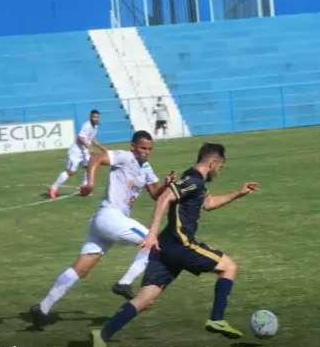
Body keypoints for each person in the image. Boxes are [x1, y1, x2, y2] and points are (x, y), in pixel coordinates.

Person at [94, 143, 260, 346]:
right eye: (220, 166)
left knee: (146, 298)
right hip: (181, 244)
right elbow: (164, 197)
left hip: (166, 246)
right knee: (229, 267)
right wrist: (152, 233)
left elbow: (207, 203)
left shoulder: (194, 179)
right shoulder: (193, 180)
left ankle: (102, 336)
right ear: (213, 162)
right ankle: (216, 319)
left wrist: (238, 193)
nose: (219, 170)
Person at [30, 130, 176, 331]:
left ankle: (42, 308)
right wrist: (89, 182)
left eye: (149, 149)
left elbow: (154, 194)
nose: (146, 152)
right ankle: (124, 283)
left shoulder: (147, 168)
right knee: (154, 242)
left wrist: (166, 186)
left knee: (80, 269)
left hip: (105, 221)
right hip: (110, 216)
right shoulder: (125, 157)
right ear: (133, 146)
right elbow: (96, 157)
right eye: (142, 147)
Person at [47, 109, 106, 199]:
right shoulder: (87, 125)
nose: (96, 118)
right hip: (76, 151)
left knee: (88, 168)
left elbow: (92, 139)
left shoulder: (95, 127)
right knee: (70, 172)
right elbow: (80, 138)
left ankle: (84, 189)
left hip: (84, 151)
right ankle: (53, 188)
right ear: (90, 117)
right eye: (94, 117)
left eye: (97, 117)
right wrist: (89, 147)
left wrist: (103, 148)